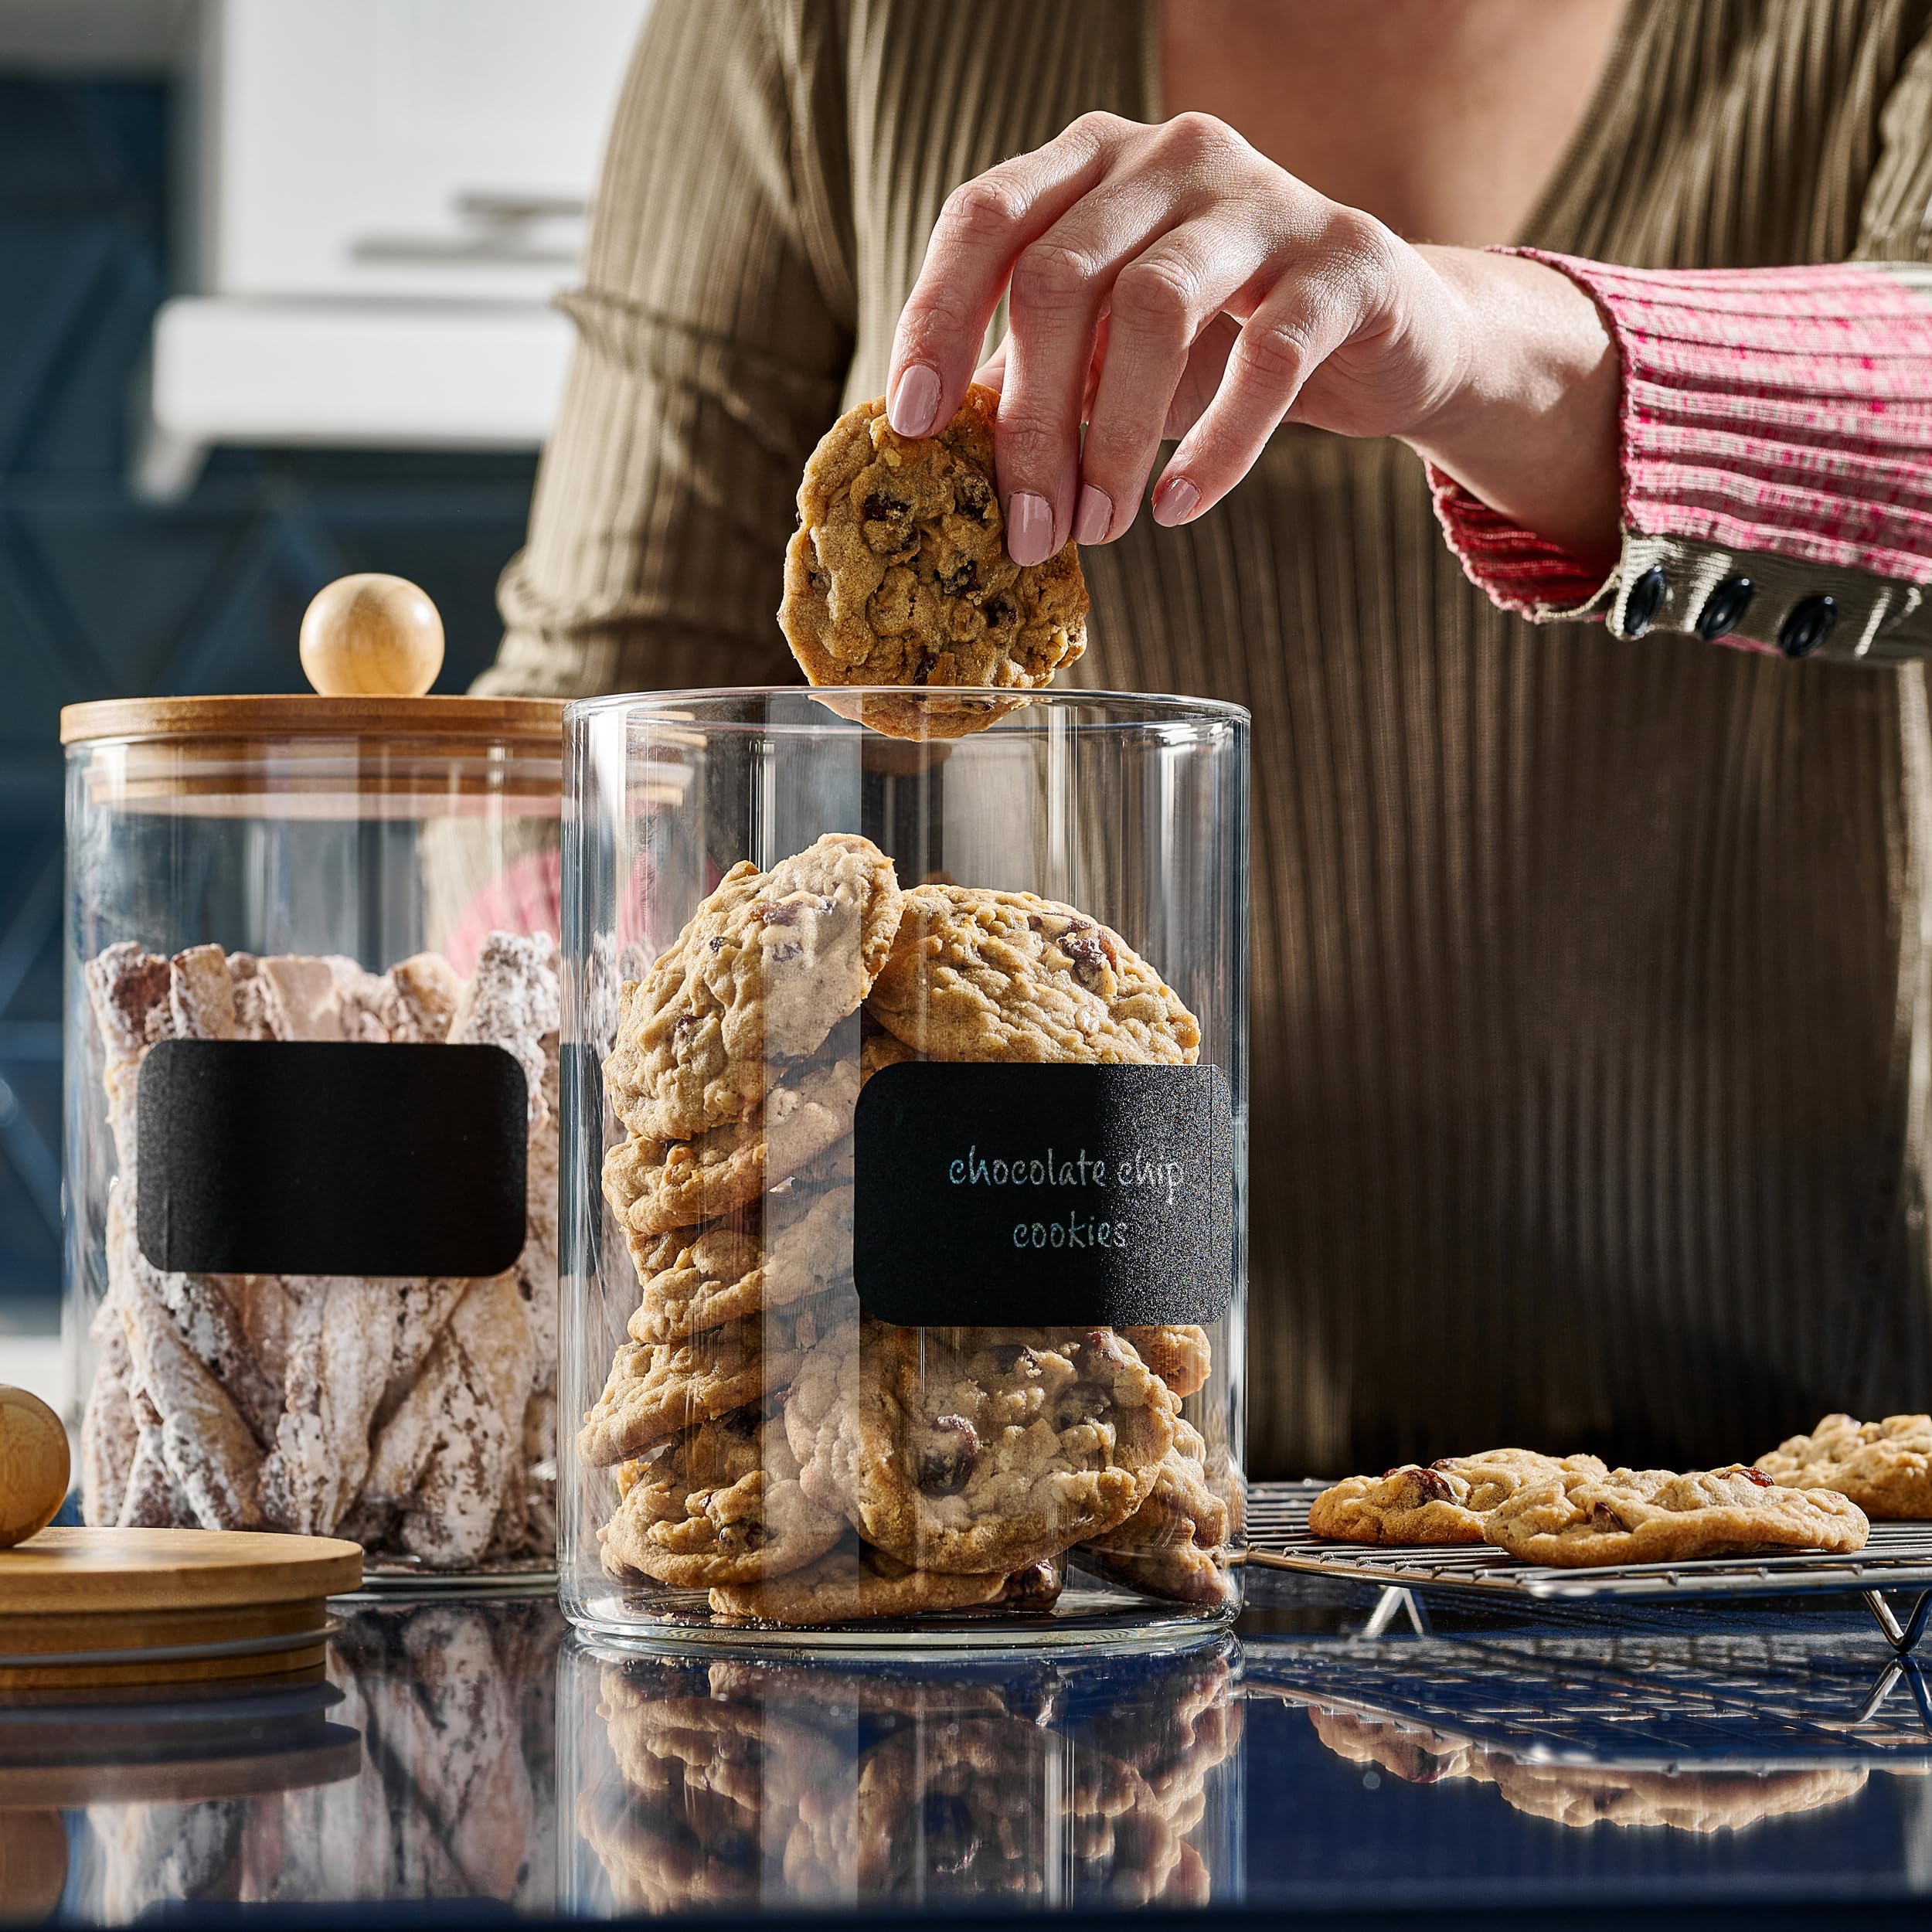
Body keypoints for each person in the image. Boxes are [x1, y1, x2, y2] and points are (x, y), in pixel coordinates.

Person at [479, 0, 1932, 1478]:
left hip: (1817, 1498)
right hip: (1054, 1518)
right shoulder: (819, 29)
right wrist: (691, 1197)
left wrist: (1469, 341)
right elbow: (583, 764)